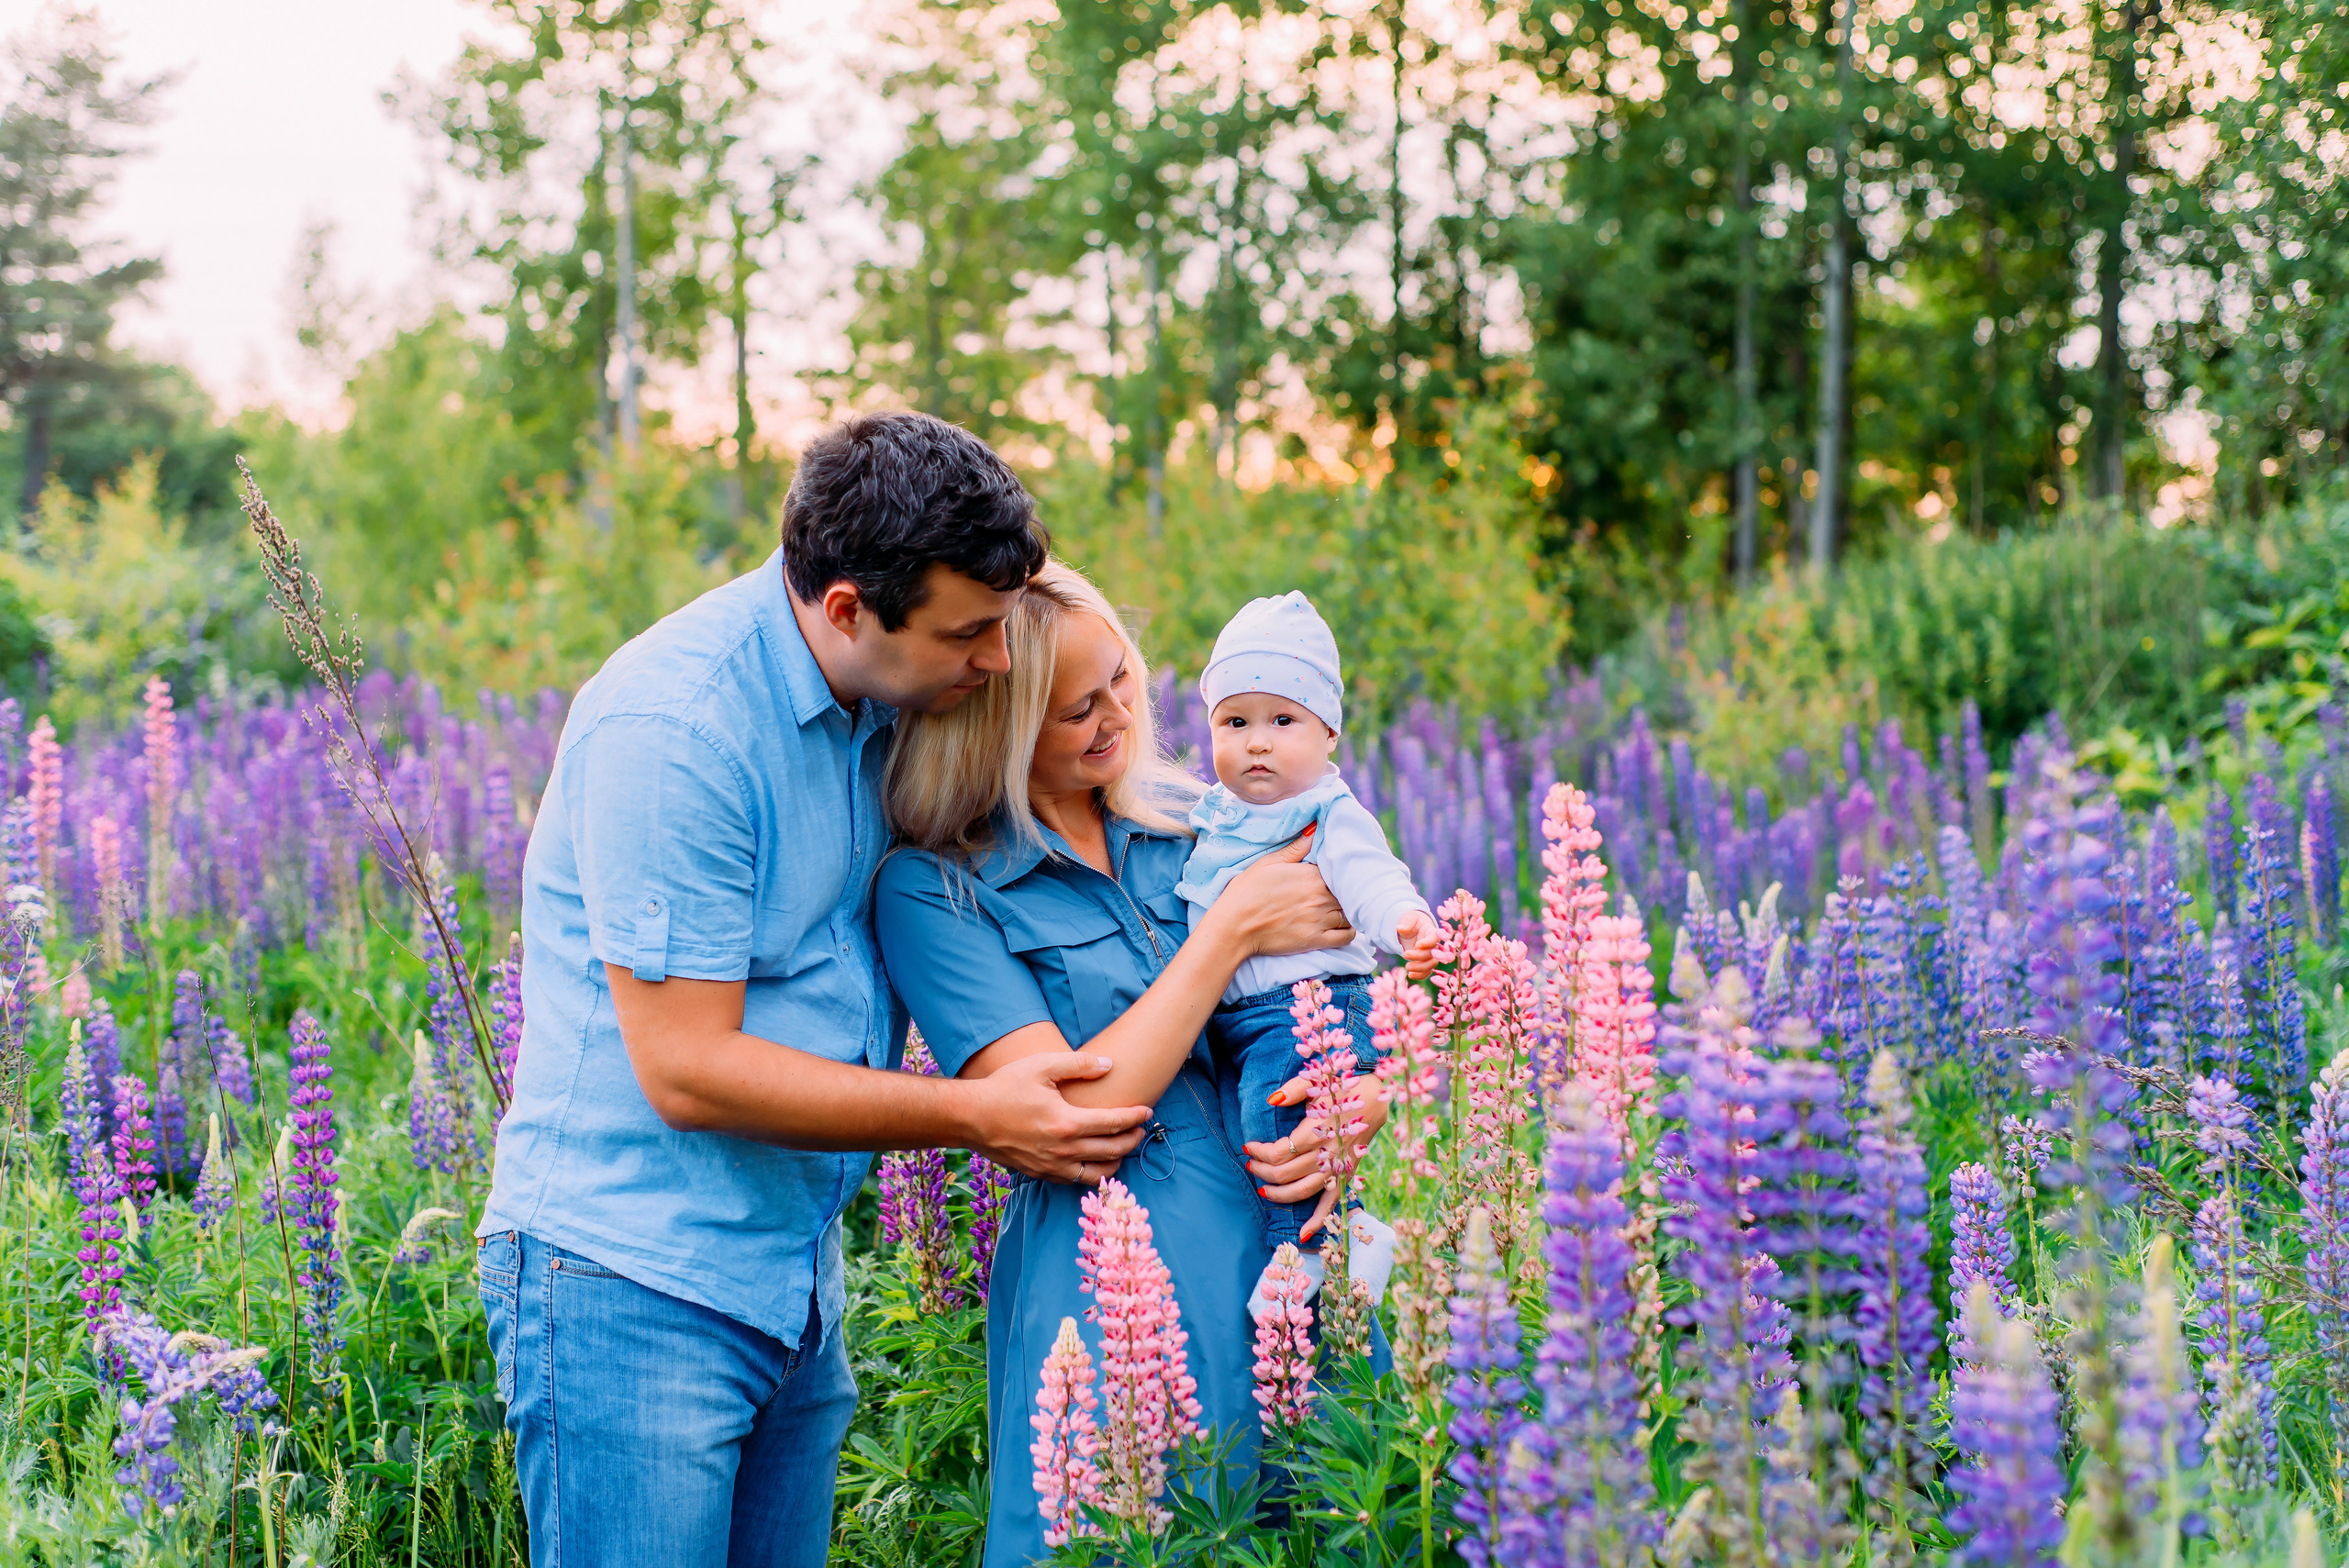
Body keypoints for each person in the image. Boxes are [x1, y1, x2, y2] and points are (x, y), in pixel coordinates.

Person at [475, 413, 1163, 1568]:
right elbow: (687, 1067)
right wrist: (973, 1116)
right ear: (847, 608)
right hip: (631, 1282)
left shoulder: (886, 698)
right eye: (970, 633)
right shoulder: (680, 727)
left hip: (787, 1268)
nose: (995, 660)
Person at [874, 562, 1386, 1568]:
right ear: (999, 726)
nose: (1116, 716)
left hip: (1294, 1257)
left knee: (1313, 1524)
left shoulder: (1207, 821)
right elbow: (1071, 1116)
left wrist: (1370, 1090)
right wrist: (1227, 930)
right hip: (1113, 1296)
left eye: (1121, 677)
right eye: (1076, 709)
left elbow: (1371, 972)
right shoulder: (936, 890)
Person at [1174, 589, 1436, 1317]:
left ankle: (1303, 1261)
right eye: (1235, 721)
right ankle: (1351, 1237)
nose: (1257, 741)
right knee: (1258, 1133)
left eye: (1282, 720)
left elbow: (1370, 875)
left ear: (1327, 735)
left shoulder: (1327, 810)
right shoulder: (1214, 813)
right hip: (1243, 1018)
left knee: (1275, 1125)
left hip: (1309, 1007)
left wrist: (1403, 922)